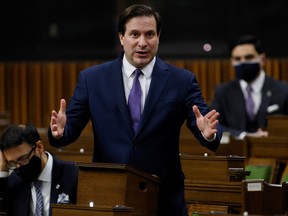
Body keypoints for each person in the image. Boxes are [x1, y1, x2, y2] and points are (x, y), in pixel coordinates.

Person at [48, 4, 222, 216]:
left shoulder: (181, 81)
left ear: (158, 36)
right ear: (121, 37)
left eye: (149, 34)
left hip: (163, 197)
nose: (142, 43)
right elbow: (69, 131)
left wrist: (208, 134)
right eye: (134, 34)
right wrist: (60, 132)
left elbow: (203, 123)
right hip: (110, 193)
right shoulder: (92, 79)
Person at [210, 35, 288, 140]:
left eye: (249, 57)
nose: (242, 62)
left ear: (262, 59)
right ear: (232, 61)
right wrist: (244, 136)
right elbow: (215, 126)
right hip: (236, 153)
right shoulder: (223, 92)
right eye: (237, 59)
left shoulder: (283, 90)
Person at [0, 124, 78, 216]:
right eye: (12, 162)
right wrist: (2, 170)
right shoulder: (15, 179)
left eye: (22, 158)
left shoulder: (73, 174)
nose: (18, 166)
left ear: (39, 147)